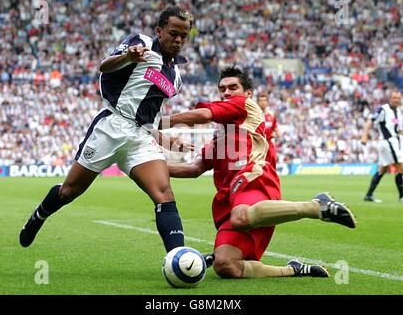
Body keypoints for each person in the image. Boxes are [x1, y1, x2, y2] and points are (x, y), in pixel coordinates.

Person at [19, 6, 196, 254]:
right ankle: (38, 216)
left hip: (140, 138)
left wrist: (165, 139)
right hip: (111, 127)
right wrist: (128, 57)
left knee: (164, 193)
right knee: (70, 190)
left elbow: (147, 116)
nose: (178, 40)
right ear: (159, 30)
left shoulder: (175, 76)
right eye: (173, 33)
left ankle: (179, 258)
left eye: (184, 36)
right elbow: (104, 66)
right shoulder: (141, 44)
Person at [164, 67, 356, 279]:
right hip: (231, 197)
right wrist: (153, 166)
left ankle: (316, 206)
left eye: (232, 87)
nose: (226, 92)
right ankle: (294, 270)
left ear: (248, 93)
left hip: (254, 177)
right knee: (226, 265)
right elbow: (194, 169)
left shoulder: (243, 104)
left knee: (240, 217)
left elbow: (204, 114)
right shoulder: (219, 137)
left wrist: (161, 121)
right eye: (222, 89)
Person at [361, 91, 403, 203]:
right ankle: (401, 196)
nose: (396, 100)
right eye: (394, 98)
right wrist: (364, 135)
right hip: (387, 142)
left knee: (382, 170)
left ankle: (369, 195)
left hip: (394, 142)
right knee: (401, 167)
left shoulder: (398, 112)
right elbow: (371, 121)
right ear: (390, 98)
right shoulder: (383, 109)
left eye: (398, 98)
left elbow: (398, 130)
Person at [257, 91, 281, 169]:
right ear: (257, 102)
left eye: (264, 100)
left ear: (267, 102)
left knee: (272, 165)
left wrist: (278, 133)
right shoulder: (254, 115)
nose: (263, 102)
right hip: (258, 145)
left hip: (269, 144)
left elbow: (275, 127)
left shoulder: (271, 115)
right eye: (260, 100)